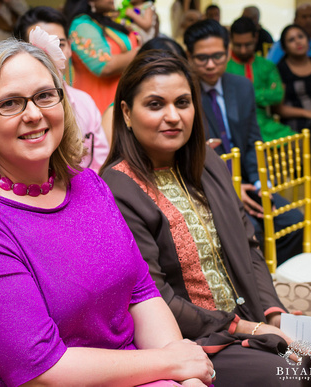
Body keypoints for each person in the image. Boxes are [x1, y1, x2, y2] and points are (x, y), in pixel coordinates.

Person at [0, 39, 213, 387]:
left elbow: (141, 292)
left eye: (44, 96)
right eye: (9, 103)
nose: (33, 114)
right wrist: (169, 365)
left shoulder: (87, 184)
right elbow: (40, 369)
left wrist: (187, 377)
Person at [100, 49, 300, 387]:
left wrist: (273, 313)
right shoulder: (118, 188)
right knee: (293, 376)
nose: (173, 116)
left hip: (252, 317)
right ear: (127, 113)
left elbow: (248, 244)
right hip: (200, 342)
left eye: (182, 102)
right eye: (155, 105)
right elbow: (155, 295)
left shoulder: (208, 161)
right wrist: (243, 327)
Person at [184, 19, 303, 265]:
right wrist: (230, 187)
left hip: (247, 181)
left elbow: (251, 141)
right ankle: (255, 290)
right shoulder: (183, 94)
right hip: (209, 186)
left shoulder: (241, 86)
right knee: (253, 233)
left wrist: (261, 182)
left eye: (217, 56)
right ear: (189, 56)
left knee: (293, 222)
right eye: (201, 58)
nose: (210, 65)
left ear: (228, 52)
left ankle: (273, 281)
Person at [14, 6, 110, 172]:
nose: (52, 53)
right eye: (40, 47)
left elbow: (100, 160)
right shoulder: (13, 109)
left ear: (70, 48)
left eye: (59, 44)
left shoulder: (85, 102)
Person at [226, 17, 295, 143]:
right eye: (238, 45)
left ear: (256, 38)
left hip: (264, 124)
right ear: (231, 39)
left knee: (297, 142)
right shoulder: (224, 67)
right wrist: (263, 93)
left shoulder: (266, 66)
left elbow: (277, 95)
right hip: (234, 126)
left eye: (248, 45)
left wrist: (245, 95)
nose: (243, 50)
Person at [64, 0, 139, 113]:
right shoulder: (81, 24)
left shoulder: (103, 21)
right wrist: (142, 51)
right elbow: (104, 66)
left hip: (123, 97)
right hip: (101, 104)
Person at [275, 24, 311, 174]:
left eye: (301, 37)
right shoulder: (281, 69)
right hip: (299, 120)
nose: (298, 42)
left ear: (307, 40)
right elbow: (279, 109)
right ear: (285, 47)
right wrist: (309, 113)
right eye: (291, 40)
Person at [267, 3, 311, 71]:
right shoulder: (283, 42)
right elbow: (269, 67)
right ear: (295, 20)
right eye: (304, 17)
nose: (308, 20)